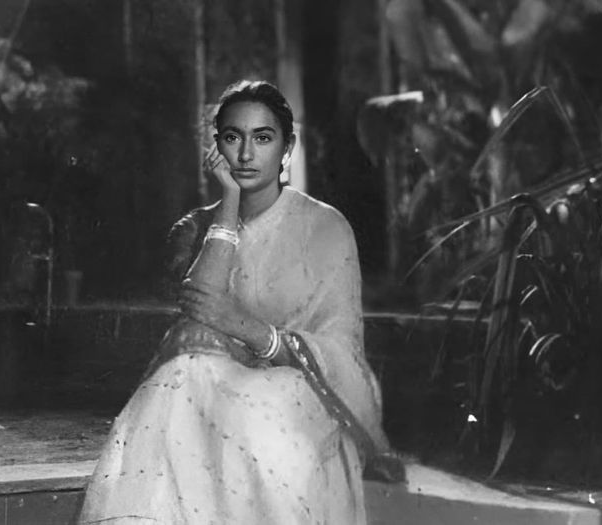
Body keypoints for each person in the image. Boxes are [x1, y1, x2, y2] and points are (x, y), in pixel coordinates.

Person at [79, 80, 391, 524]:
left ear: (287, 147)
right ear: (216, 147)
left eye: (262, 138)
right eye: (232, 137)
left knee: (248, 413)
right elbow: (200, 306)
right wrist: (229, 203)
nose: (245, 154)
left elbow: (343, 352)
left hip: (303, 390)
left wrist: (253, 332)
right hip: (213, 385)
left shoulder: (326, 228)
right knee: (183, 374)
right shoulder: (196, 227)